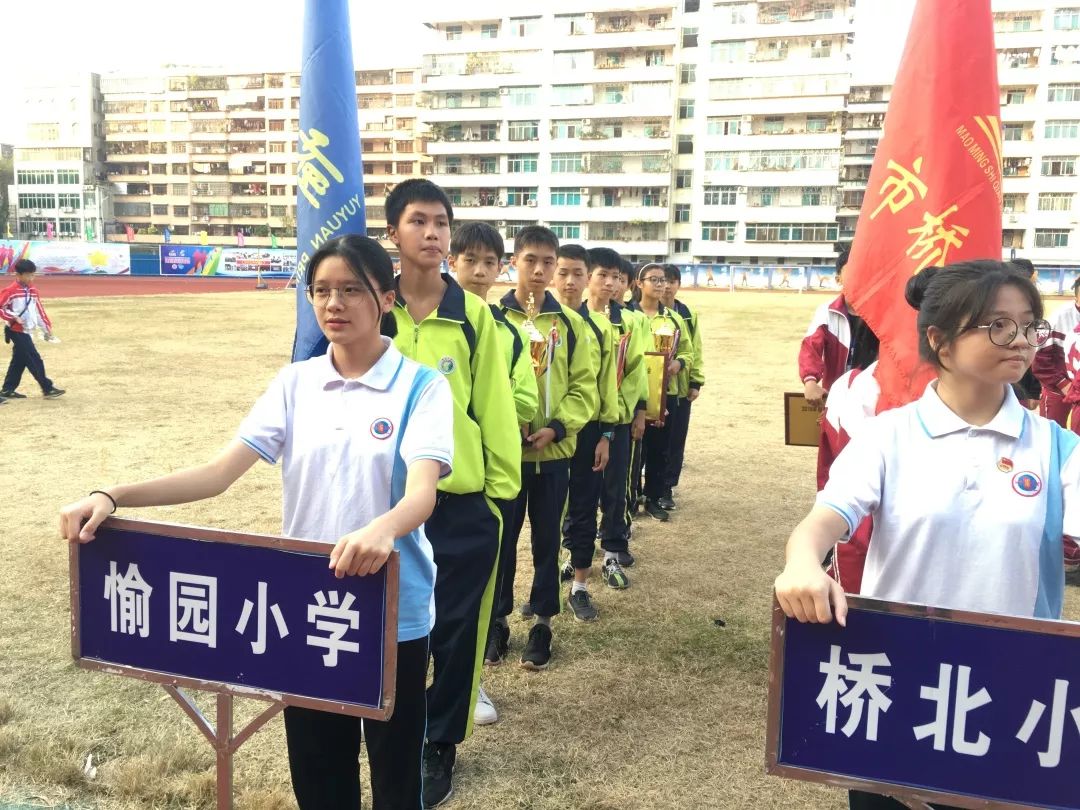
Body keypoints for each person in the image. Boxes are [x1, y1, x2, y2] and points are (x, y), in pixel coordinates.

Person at [59, 235, 453, 810]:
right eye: (321, 291)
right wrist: (112, 495)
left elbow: (422, 494)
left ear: (386, 298)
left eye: (350, 290)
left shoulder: (421, 386)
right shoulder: (296, 384)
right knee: (319, 777)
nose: (333, 305)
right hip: (308, 604)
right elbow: (219, 474)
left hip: (393, 608)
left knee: (396, 778)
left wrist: (383, 528)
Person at [775, 261, 1076, 810]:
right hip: (894, 685)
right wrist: (801, 564)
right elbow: (824, 521)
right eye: (998, 326)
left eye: (1030, 325)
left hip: (1009, 695)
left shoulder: (1056, 450)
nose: (1022, 340)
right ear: (939, 340)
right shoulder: (888, 436)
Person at [383, 179, 521, 809]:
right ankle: (391, 733)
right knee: (388, 629)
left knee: (455, 630)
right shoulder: (370, 309)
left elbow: (493, 403)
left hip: (460, 504)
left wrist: (496, 494)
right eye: (419, 222)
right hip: (380, 508)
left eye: (442, 222)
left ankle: (441, 743)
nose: (434, 233)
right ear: (394, 235)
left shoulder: (475, 317)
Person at [447, 220, 538, 726]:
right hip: (418, 483)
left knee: (472, 593)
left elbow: (522, 396)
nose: (479, 272)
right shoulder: (407, 314)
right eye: (470, 261)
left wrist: (491, 414)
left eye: (489, 263)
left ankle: (469, 680)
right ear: (452, 262)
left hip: (475, 477)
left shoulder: (508, 331)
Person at [493, 225, 596, 669]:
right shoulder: (492, 319)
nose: (538, 270)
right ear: (514, 261)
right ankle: (496, 621)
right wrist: (503, 428)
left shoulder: (571, 325)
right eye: (529, 260)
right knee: (500, 542)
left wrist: (557, 427)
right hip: (506, 457)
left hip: (553, 456)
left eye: (547, 262)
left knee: (547, 543)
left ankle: (543, 624)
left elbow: (584, 388)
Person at [551, 244, 620, 621]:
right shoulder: (539, 322)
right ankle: (545, 584)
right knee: (547, 512)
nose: (570, 281)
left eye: (579, 273)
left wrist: (606, 433)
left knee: (583, 507)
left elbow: (607, 382)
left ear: (587, 277)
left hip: (588, 429)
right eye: (563, 272)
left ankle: (579, 584)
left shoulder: (601, 328)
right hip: (548, 433)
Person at [589, 248, 647, 576]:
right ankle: (575, 548)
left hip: (620, 419)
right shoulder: (575, 319)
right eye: (604, 275)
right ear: (588, 277)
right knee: (580, 489)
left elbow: (638, 371)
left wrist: (638, 410)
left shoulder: (631, 321)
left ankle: (614, 543)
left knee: (616, 484)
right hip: (582, 420)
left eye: (618, 278)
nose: (611, 283)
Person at [626, 264, 692, 522]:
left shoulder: (673, 319)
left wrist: (679, 363)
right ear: (639, 283)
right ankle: (630, 498)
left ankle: (654, 497)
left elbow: (687, 350)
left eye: (662, 280)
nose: (659, 284)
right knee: (632, 450)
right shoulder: (627, 315)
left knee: (660, 448)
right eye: (652, 279)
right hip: (635, 394)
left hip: (667, 393)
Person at [662, 264, 705, 510]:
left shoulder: (687, 314)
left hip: (679, 389)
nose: (666, 286)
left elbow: (695, 349)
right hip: (652, 389)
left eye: (671, 281)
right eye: (661, 280)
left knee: (675, 440)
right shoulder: (640, 312)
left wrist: (695, 381)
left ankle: (667, 487)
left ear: (678, 284)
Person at [1, 259, 65, 400]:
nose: (31, 278)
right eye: (28, 275)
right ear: (18, 274)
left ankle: (7, 390)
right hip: (16, 330)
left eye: (33, 275)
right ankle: (47, 388)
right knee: (34, 358)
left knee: (19, 360)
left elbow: (39, 310)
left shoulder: (33, 291)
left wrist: (46, 329)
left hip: (27, 331)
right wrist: (13, 317)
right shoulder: (10, 291)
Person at [1032, 273, 1080, 428]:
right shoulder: (1057, 319)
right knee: (1051, 432)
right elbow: (1039, 361)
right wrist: (1065, 386)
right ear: (1076, 296)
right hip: (1058, 387)